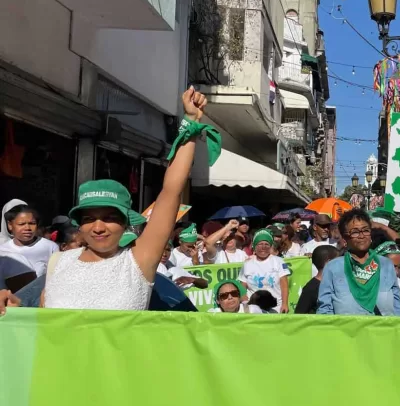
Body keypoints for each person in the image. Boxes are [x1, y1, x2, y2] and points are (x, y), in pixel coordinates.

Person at [35, 87, 208, 311]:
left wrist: (190, 123)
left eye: (108, 217)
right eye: (89, 218)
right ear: (79, 224)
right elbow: (41, 323)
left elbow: (170, 192)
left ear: (126, 222)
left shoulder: (138, 261)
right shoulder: (58, 263)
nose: (98, 227)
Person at [317, 209, 400, 316]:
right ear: (345, 237)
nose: (361, 236)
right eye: (355, 232)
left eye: (365, 230)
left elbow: (398, 307)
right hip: (346, 332)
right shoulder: (333, 268)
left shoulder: (386, 265)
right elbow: (325, 310)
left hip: (383, 331)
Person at [238, 229, 290, 313]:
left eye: (266, 244)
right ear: (254, 246)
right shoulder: (247, 264)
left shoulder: (278, 261)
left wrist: (285, 304)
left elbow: (284, 286)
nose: (263, 247)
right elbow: (242, 286)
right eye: (260, 244)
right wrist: (245, 304)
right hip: (254, 309)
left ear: (270, 246)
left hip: (276, 307)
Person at [1, 204, 59, 276]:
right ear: (10, 225)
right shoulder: (2, 251)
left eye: (32, 223)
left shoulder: (50, 247)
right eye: (21, 224)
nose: (27, 228)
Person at [296, 245, 339, 314]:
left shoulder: (336, 284)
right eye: (338, 261)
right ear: (329, 263)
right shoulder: (311, 288)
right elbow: (299, 314)